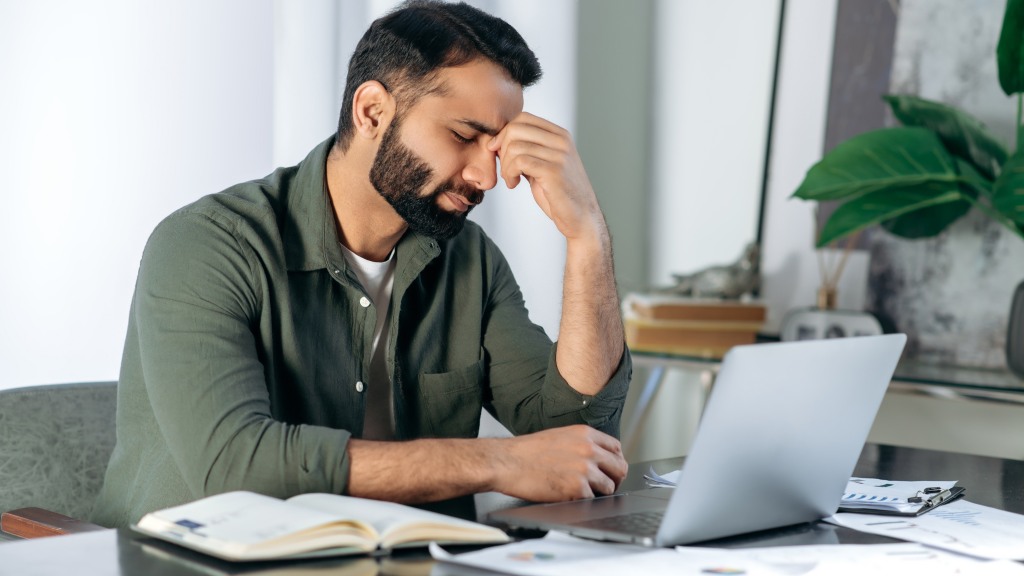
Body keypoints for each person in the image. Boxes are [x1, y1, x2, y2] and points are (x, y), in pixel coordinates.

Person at [91, 0, 631, 528]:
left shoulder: (469, 260)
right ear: (372, 111)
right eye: (463, 137)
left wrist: (587, 237)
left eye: (494, 150)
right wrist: (496, 463)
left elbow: (577, 437)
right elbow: (236, 464)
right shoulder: (206, 245)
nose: (487, 178)